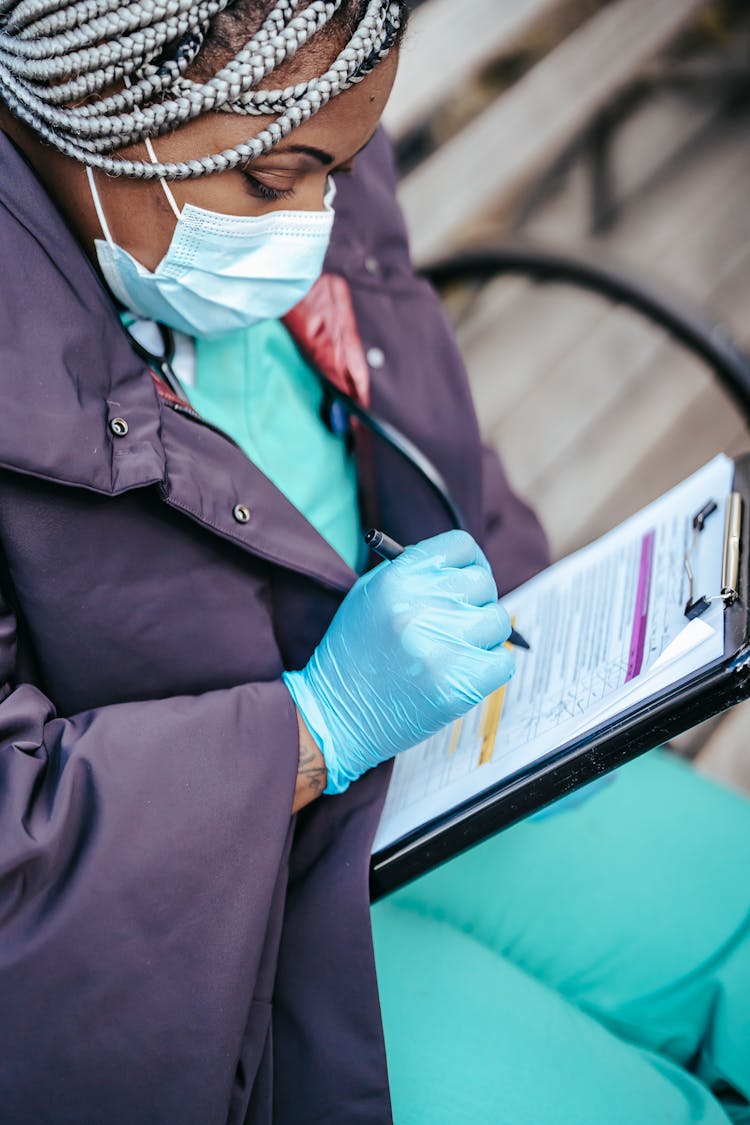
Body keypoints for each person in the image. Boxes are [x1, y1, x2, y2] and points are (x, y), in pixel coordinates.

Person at [0, 1, 747, 1122]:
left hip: (444, 755)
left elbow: (424, 429)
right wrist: (317, 728)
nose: (312, 229)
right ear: (103, 95)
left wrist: (535, 668)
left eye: (343, 170)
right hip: (205, 933)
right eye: (275, 183)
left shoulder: (292, 115)